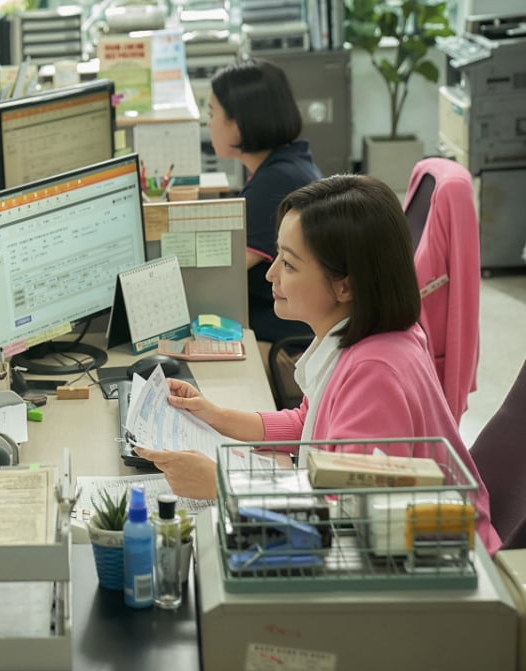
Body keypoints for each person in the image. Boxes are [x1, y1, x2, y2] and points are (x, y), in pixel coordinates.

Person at [134, 175, 501, 554]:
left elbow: (348, 515)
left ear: (345, 286)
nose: (270, 273)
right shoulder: (360, 335)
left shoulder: (376, 373)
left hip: (446, 573)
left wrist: (221, 484)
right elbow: (306, 426)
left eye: (289, 265)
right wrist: (214, 415)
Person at [208, 58, 323, 343]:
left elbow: (219, 274)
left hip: (281, 333)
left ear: (238, 125)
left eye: (212, 113)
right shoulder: (289, 162)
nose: (208, 124)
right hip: (285, 317)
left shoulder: (275, 185)